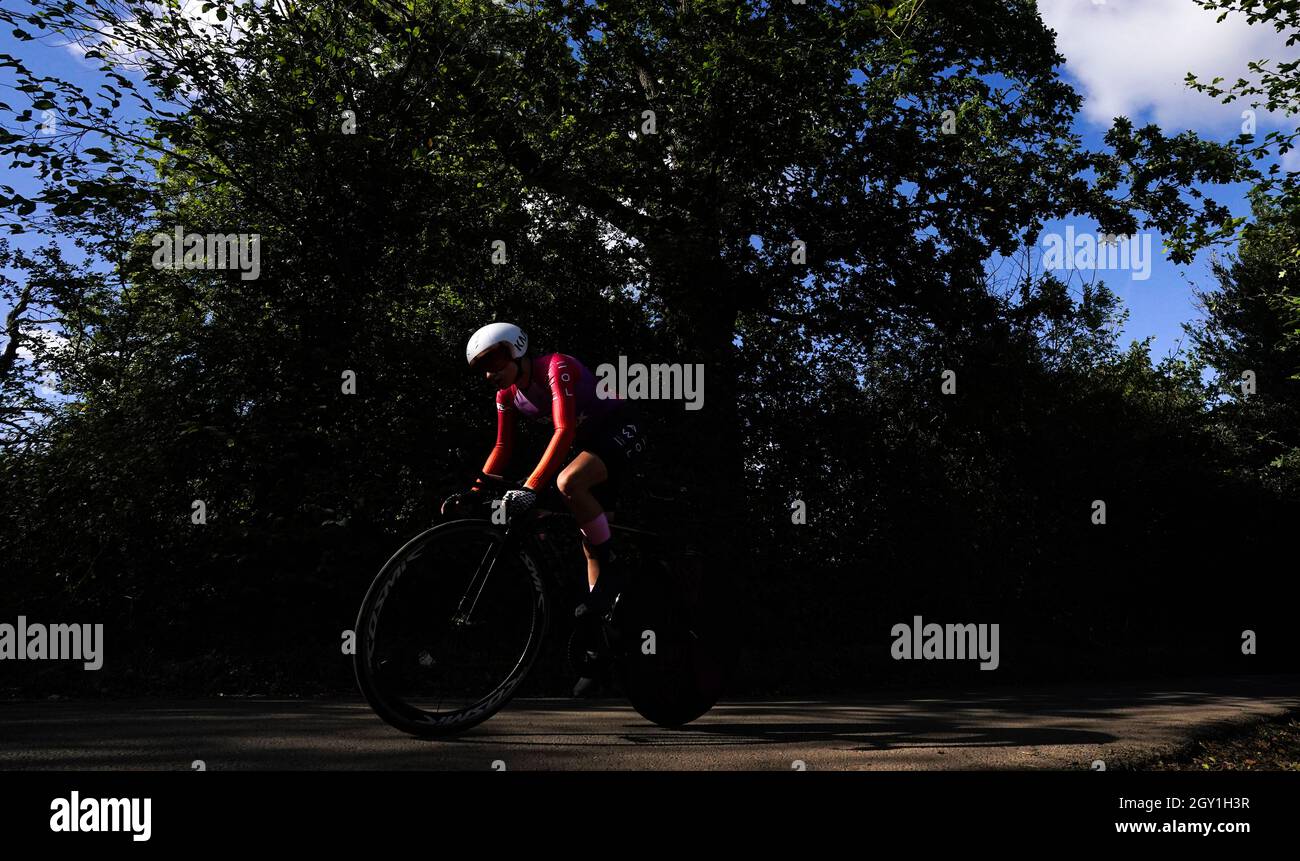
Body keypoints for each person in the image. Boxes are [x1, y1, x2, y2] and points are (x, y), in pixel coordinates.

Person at [442, 322, 647, 696]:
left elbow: (564, 429)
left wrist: (530, 487)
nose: (490, 372)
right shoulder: (506, 394)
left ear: (517, 350)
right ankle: (601, 644)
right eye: (481, 368)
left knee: (568, 482)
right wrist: (475, 491)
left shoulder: (556, 366)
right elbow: (503, 447)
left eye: (495, 360)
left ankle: (612, 569)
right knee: (588, 538)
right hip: (589, 443)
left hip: (620, 427)